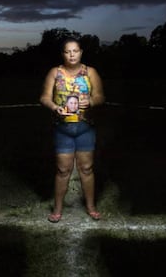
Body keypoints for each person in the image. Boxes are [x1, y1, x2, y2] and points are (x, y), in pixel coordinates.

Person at [39, 37, 105, 223]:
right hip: (63, 128)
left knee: (86, 168)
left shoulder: (90, 72)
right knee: (62, 170)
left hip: (85, 128)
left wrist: (90, 101)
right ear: (63, 54)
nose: (72, 54)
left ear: (81, 52)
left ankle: (91, 207)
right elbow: (44, 97)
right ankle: (58, 208)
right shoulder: (55, 72)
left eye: (75, 51)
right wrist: (54, 107)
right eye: (67, 51)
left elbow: (100, 96)